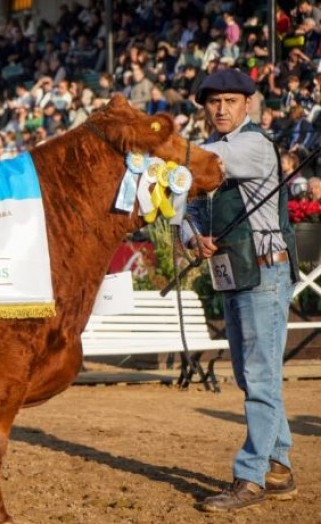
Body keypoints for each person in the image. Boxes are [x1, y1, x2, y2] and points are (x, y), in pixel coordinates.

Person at [183, 68, 300, 513]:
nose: (221, 108)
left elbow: (202, 164)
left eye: (230, 101)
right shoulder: (207, 151)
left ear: (248, 104)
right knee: (254, 373)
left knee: (259, 376)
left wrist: (164, 155)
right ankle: (279, 469)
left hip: (266, 273)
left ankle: (250, 478)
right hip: (232, 271)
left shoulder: (251, 145)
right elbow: (188, 205)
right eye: (213, 102)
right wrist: (194, 235)